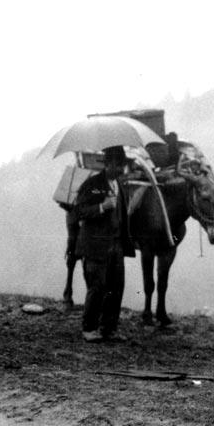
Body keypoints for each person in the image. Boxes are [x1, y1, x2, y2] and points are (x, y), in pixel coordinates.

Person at [73, 145, 136, 342]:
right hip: (96, 245)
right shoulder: (92, 184)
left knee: (116, 287)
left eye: (123, 166)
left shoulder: (119, 184)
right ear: (108, 164)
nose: (121, 170)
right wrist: (102, 206)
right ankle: (89, 328)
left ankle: (109, 328)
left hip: (116, 244)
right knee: (97, 286)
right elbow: (80, 211)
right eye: (118, 166)